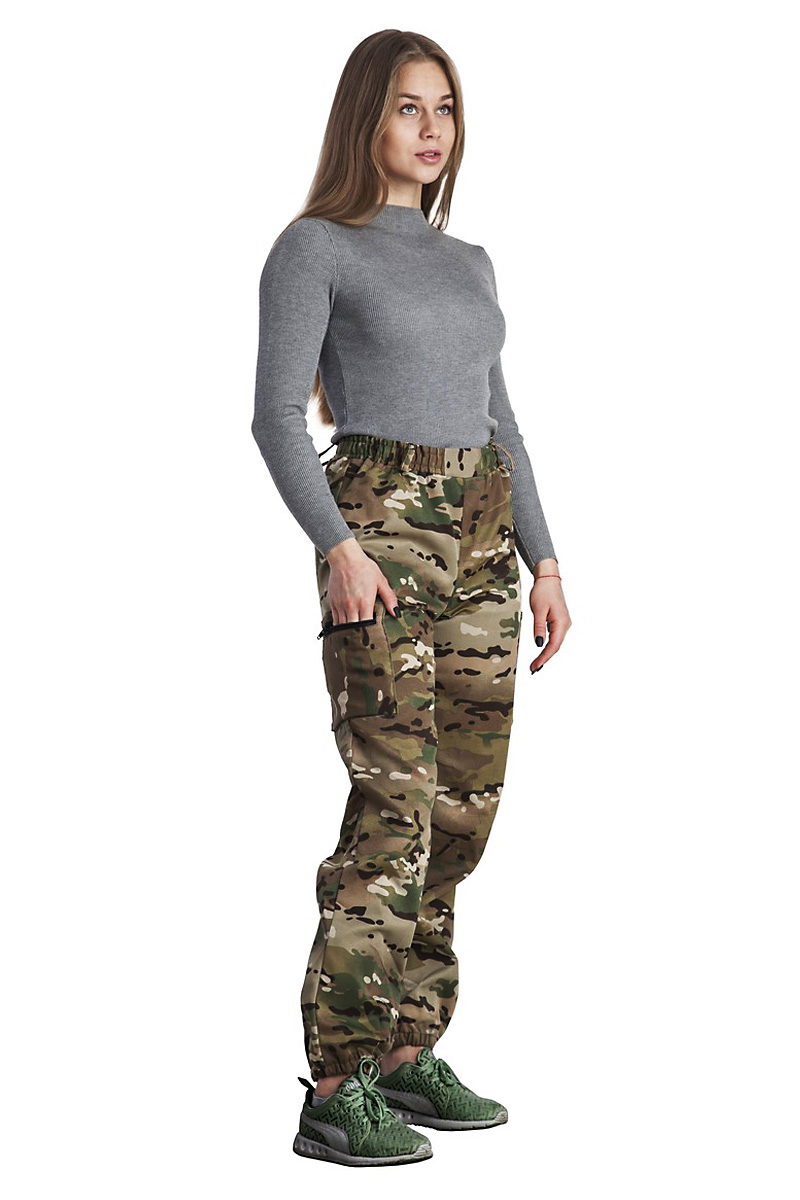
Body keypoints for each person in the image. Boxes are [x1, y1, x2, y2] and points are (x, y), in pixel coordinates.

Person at [251, 29, 572, 1168]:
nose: (431, 128)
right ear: (365, 119)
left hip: (483, 539)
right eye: (406, 107)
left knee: (462, 811)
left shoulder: (468, 261)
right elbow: (274, 419)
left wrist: (544, 560)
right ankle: (336, 1082)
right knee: (393, 809)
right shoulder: (314, 248)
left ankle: (404, 1052)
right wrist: (337, 548)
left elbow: (501, 420)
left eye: (444, 107)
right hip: (380, 534)